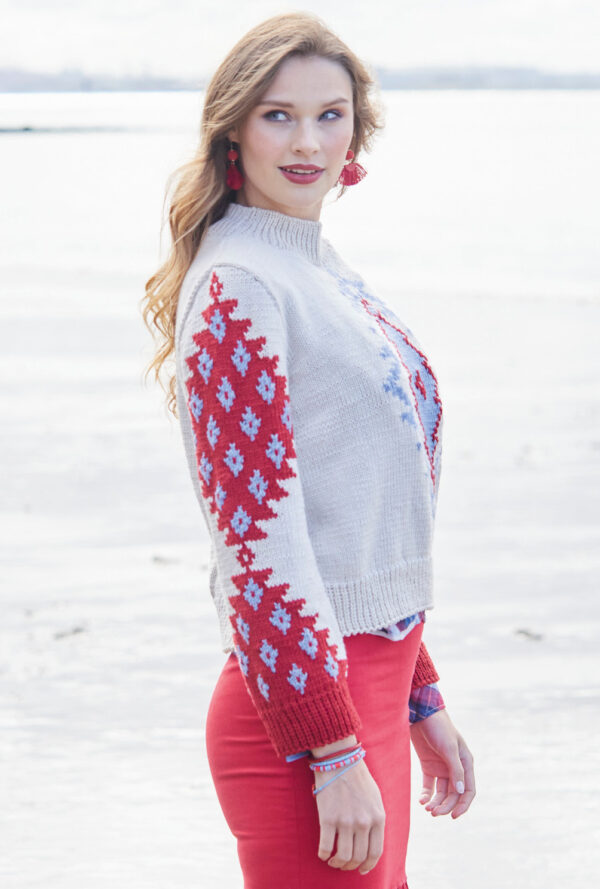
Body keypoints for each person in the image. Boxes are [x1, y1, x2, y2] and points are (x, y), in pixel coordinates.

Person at [142, 11, 475, 888]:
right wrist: (332, 747)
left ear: (357, 133)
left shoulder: (318, 268)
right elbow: (260, 543)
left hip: (364, 693)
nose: (307, 142)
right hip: (302, 723)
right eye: (277, 115)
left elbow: (353, 518)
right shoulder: (240, 284)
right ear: (233, 131)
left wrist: (418, 695)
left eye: (331, 115)